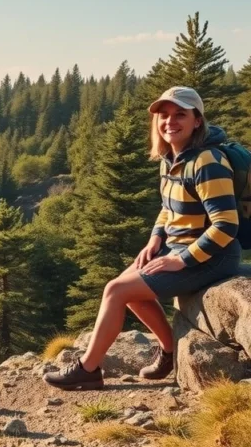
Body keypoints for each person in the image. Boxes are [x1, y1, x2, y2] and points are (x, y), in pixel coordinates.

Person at [44, 86, 243, 391]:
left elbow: (226, 225)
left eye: (180, 114)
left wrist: (180, 259)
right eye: (164, 115)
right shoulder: (170, 157)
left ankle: (88, 369)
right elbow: (167, 209)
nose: (169, 121)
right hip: (177, 246)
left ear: (197, 121)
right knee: (128, 287)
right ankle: (169, 350)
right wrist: (154, 240)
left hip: (213, 257)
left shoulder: (207, 162)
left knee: (116, 290)